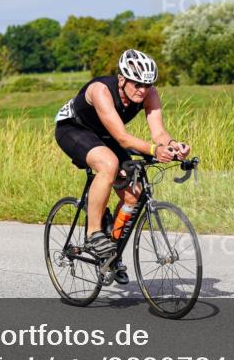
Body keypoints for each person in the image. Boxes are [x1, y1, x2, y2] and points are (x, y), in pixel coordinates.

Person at [54, 49, 190, 284]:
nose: (142, 90)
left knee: (133, 194)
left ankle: (111, 255)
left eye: (147, 84)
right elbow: (123, 138)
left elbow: (159, 133)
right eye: (137, 84)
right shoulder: (101, 90)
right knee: (109, 164)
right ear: (121, 79)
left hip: (105, 136)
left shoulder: (149, 94)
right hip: (74, 129)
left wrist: (173, 146)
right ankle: (94, 233)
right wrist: (153, 150)